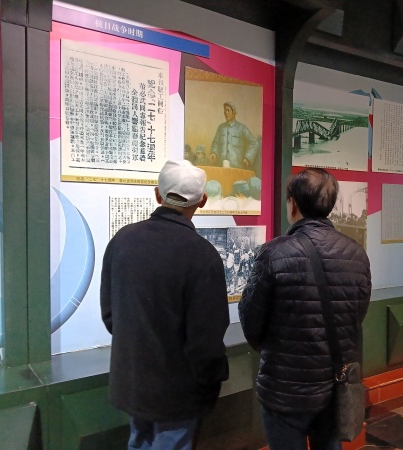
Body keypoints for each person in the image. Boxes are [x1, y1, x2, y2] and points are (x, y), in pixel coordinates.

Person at [100, 159, 230, 450]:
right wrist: (210, 380)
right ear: (202, 201)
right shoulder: (203, 255)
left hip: (133, 380)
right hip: (179, 392)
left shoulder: (122, 240)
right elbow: (206, 339)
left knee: (138, 443)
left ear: (157, 194)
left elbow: (110, 315)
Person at [239, 168, 372, 450]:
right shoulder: (356, 254)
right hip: (334, 385)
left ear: (293, 204)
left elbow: (251, 321)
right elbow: (357, 315)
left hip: (284, 388)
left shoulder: (274, 252)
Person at [209, 101, 259, 170]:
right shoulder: (221, 128)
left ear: (234, 113)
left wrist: (247, 158)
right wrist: (214, 152)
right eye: (225, 111)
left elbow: (254, 143)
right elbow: (216, 143)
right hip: (221, 167)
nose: (226, 113)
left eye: (228, 110)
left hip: (237, 168)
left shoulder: (242, 128)